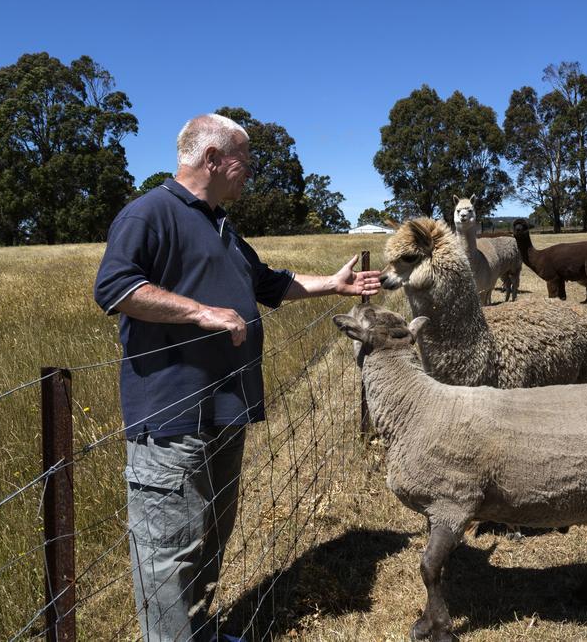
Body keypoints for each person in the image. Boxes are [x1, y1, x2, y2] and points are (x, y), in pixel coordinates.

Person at [93, 113, 380, 641]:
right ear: (212, 159)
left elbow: (268, 283)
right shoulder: (150, 212)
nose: (249, 172)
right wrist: (200, 311)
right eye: (244, 161)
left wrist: (333, 286)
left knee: (208, 538)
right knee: (168, 553)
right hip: (173, 415)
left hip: (225, 409)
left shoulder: (219, 222)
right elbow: (115, 287)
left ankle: (201, 631)